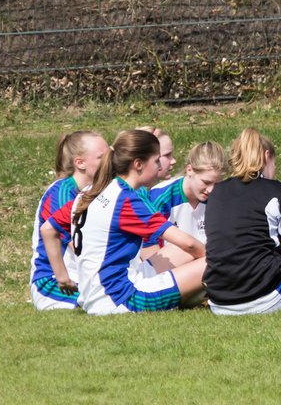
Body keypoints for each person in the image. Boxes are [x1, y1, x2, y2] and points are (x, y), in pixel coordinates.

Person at [71, 129, 206, 315]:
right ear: (138, 164)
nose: (159, 166)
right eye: (156, 160)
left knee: (178, 252)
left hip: (94, 293)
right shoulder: (126, 200)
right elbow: (189, 244)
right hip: (121, 298)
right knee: (217, 261)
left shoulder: (91, 191)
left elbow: (51, 227)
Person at [203, 129, 281, 315]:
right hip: (264, 299)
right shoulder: (278, 191)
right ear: (267, 156)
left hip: (218, 301)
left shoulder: (215, 193)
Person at [30, 130, 108, 310]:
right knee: (108, 299)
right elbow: (78, 245)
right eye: (101, 157)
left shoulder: (97, 192)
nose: (109, 162)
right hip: (53, 284)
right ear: (80, 163)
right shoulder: (62, 192)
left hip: (84, 278)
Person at [144, 141, 227, 272]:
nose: (211, 190)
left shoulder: (221, 199)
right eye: (206, 182)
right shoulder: (161, 196)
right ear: (189, 170)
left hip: (205, 267)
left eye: (216, 184)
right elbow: (147, 249)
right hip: (166, 273)